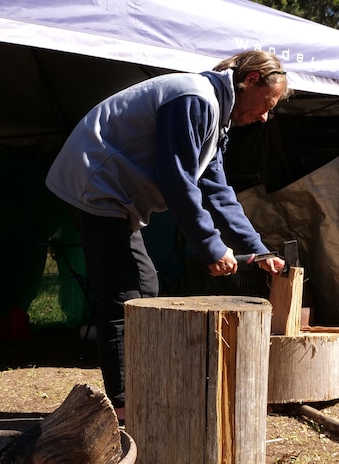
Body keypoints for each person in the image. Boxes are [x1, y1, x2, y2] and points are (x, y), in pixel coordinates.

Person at [46, 50, 290, 422]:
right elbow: (177, 182)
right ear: (252, 80)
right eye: (267, 104)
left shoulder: (214, 113)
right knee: (124, 294)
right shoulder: (194, 98)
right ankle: (126, 405)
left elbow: (216, 188)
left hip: (113, 196)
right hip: (94, 183)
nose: (264, 116)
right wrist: (211, 248)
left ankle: (141, 391)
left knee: (146, 287)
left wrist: (256, 250)